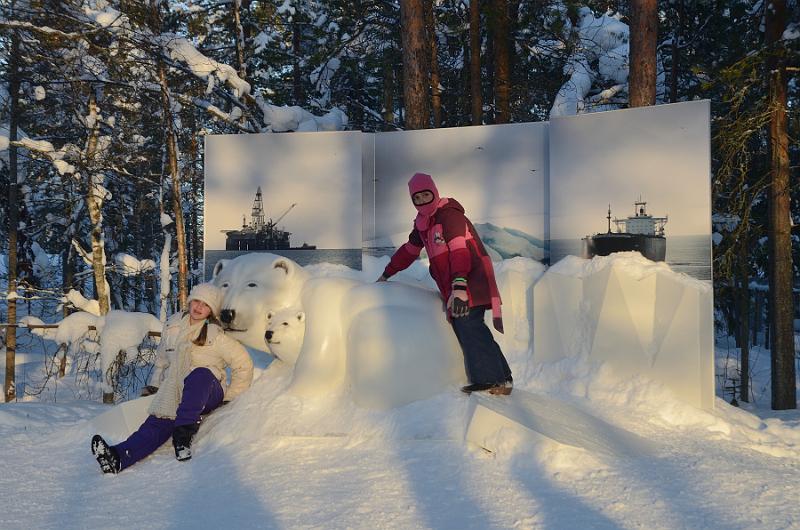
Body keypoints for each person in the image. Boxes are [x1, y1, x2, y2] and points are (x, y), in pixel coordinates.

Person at [91, 283, 254, 474]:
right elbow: (162, 361)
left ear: (211, 311)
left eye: (205, 305)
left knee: (199, 374)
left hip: (208, 390)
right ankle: (117, 457)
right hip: (177, 390)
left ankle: (183, 437)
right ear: (190, 301)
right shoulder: (172, 327)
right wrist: (154, 385)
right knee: (155, 424)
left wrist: (230, 399)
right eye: (197, 301)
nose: (199, 307)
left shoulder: (216, 335)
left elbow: (244, 364)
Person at [377, 172, 512, 395]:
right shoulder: (423, 225)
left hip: (470, 278)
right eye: (416, 198)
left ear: (434, 192)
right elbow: (408, 252)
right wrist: (386, 274)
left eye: (425, 195)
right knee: (472, 325)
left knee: (468, 323)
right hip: (456, 284)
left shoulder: (449, 215)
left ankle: (491, 380)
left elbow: (460, 251)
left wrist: (459, 286)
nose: (422, 201)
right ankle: (503, 378)